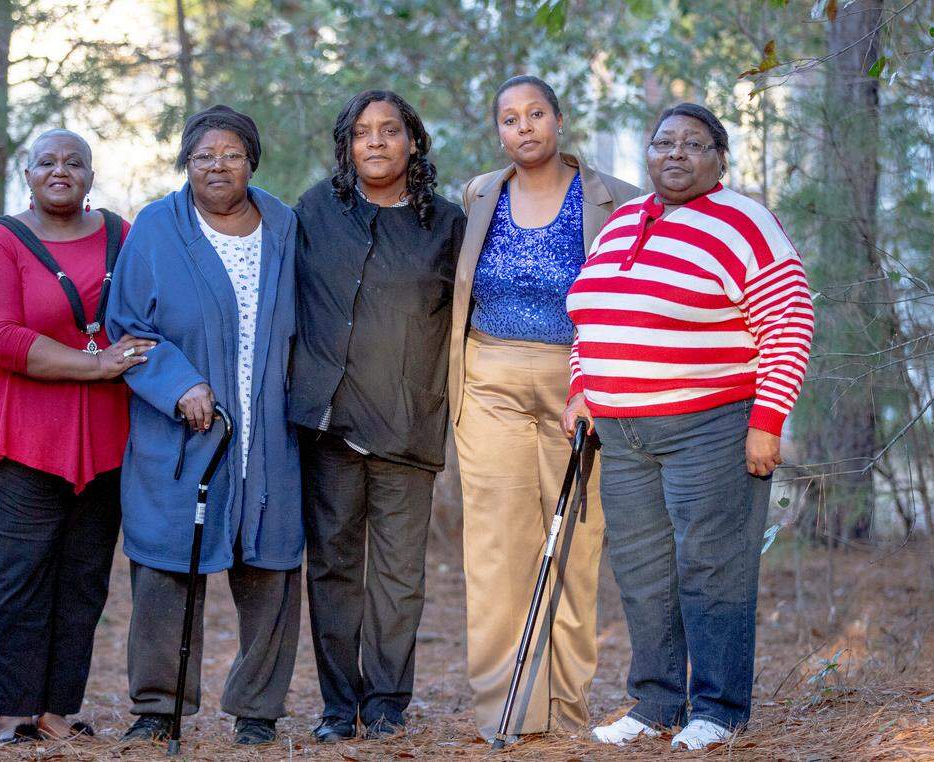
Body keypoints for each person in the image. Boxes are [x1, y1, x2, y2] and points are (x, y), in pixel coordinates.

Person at [562, 103, 814, 751]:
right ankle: (656, 702)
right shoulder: (621, 221)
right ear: (647, 154)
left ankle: (721, 711)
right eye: (663, 142)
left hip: (711, 426)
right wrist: (581, 389)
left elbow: (788, 321)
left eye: (693, 144)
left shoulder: (744, 221)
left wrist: (768, 420)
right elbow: (592, 319)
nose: (675, 154)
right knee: (644, 572)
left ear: (719, 157)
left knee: (713, 567)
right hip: (622, 435)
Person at [105, 105, 303, 747]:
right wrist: (178, 382)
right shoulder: (158, 228)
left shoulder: (283, 224)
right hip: (184, 431)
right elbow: (129, 327)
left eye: (231, 154)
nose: (217, 166)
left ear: (252, 160)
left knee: (271, 568)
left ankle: (257, 710)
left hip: (270, 428)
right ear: (185, 163)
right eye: (202, 156)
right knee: (167, 564)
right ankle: (158, 706)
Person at [447, 75, 638, 741]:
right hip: (489, 377)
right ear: (497, 130)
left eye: (535, 114)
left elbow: (630, 302)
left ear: (559, 120)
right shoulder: (478, 196)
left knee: (576, 546)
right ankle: (507, 710)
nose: (523, 127)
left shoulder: (615, 200)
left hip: (578, 385)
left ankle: (564, 708)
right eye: (509, 118)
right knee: (498, 548)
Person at [0, 128, 150, 744]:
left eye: (74, 162)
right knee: (21, 568)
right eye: (46, 162)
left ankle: (58, 708)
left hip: (104, 430)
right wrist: (93, 363)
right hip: (18, 426)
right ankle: (14, 710)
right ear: (28, 175)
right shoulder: (0, 240)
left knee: (86, 573)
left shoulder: (123, 235)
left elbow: (150, 309)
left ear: (90, 176)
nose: (59, 170)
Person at [288, 90, 466, 742]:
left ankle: (388, 704)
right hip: (328, 425)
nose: (376, 142)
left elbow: (469, 320)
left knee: (398, 576)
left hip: (406, 425)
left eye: (390, 131)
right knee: (332, 568)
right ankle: (339, 708)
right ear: (347, 144)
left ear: (412, 142)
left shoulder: (446, 224)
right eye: (363, 132)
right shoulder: (314, 211)